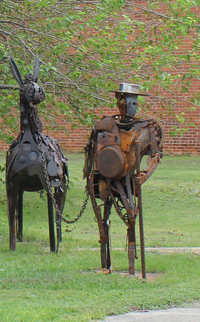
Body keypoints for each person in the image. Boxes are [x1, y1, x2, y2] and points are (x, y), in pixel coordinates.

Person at [83, 83, 163, 277]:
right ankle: (105, 264)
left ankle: (131, 265)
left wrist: (144, 175)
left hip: (127, 179)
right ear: (118, 100)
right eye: (124, 99)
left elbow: (155, 155)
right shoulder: (105, 125)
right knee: (103, 219)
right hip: (104, 177)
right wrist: (89, 173)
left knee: (130, 216)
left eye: (133, 100)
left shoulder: (147, 128)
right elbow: (91, 151)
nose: (128, 105)